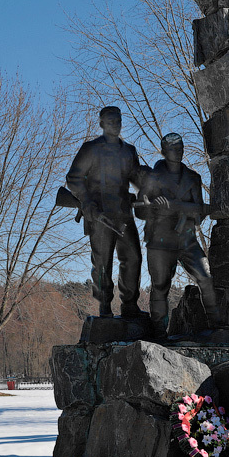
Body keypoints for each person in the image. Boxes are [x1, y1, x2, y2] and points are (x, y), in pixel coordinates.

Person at [136, 133, 224, 337]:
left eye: (181, 147)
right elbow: (139, 210)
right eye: (175, 149)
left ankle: (217, 326)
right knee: (160, 285)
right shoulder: (153, 177)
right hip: (160, 240)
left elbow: (199, 212)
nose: (180, 151)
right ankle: (159, 330)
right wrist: (156, 209)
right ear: (164, 151)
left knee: (206, 278)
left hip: (186, 239)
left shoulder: (193, 178)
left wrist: (182, 211)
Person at [65, 106, 145, 317]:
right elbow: (73, 178)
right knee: (102, 263)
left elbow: (137, 179)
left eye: (118, 120)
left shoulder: (129, 151)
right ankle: (104, 306)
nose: (115, 124)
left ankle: (129, 305)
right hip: (100, 213)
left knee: (133, 257)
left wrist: (150, 190)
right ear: (101, 124)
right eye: (110, 121)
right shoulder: (91, 149)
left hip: (123, 212)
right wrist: (87, 201)